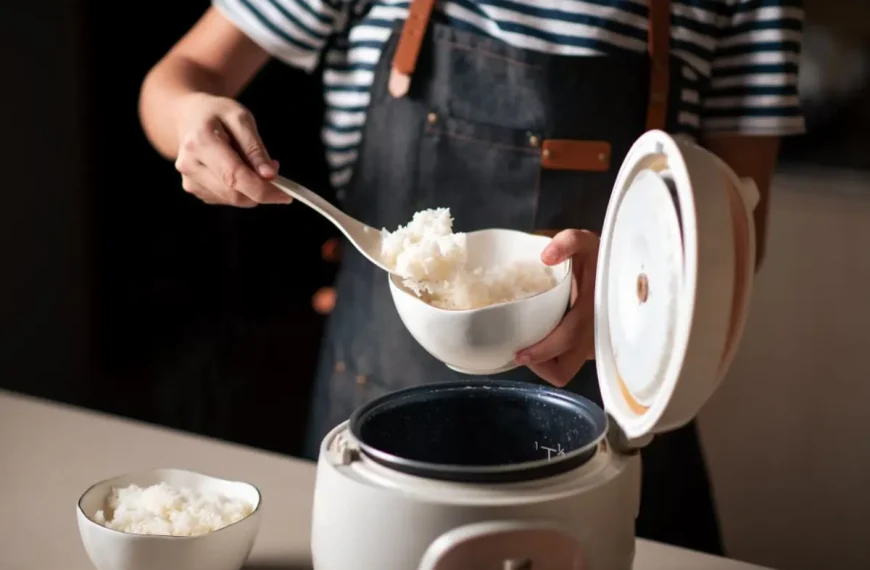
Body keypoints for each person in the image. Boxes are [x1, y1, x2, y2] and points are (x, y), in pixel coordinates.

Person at [139, 0, 805, 555]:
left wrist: (632, 273)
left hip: (610, 438)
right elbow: (176, 78)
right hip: (378, 444)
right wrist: (190, 119)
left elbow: (739, 229)